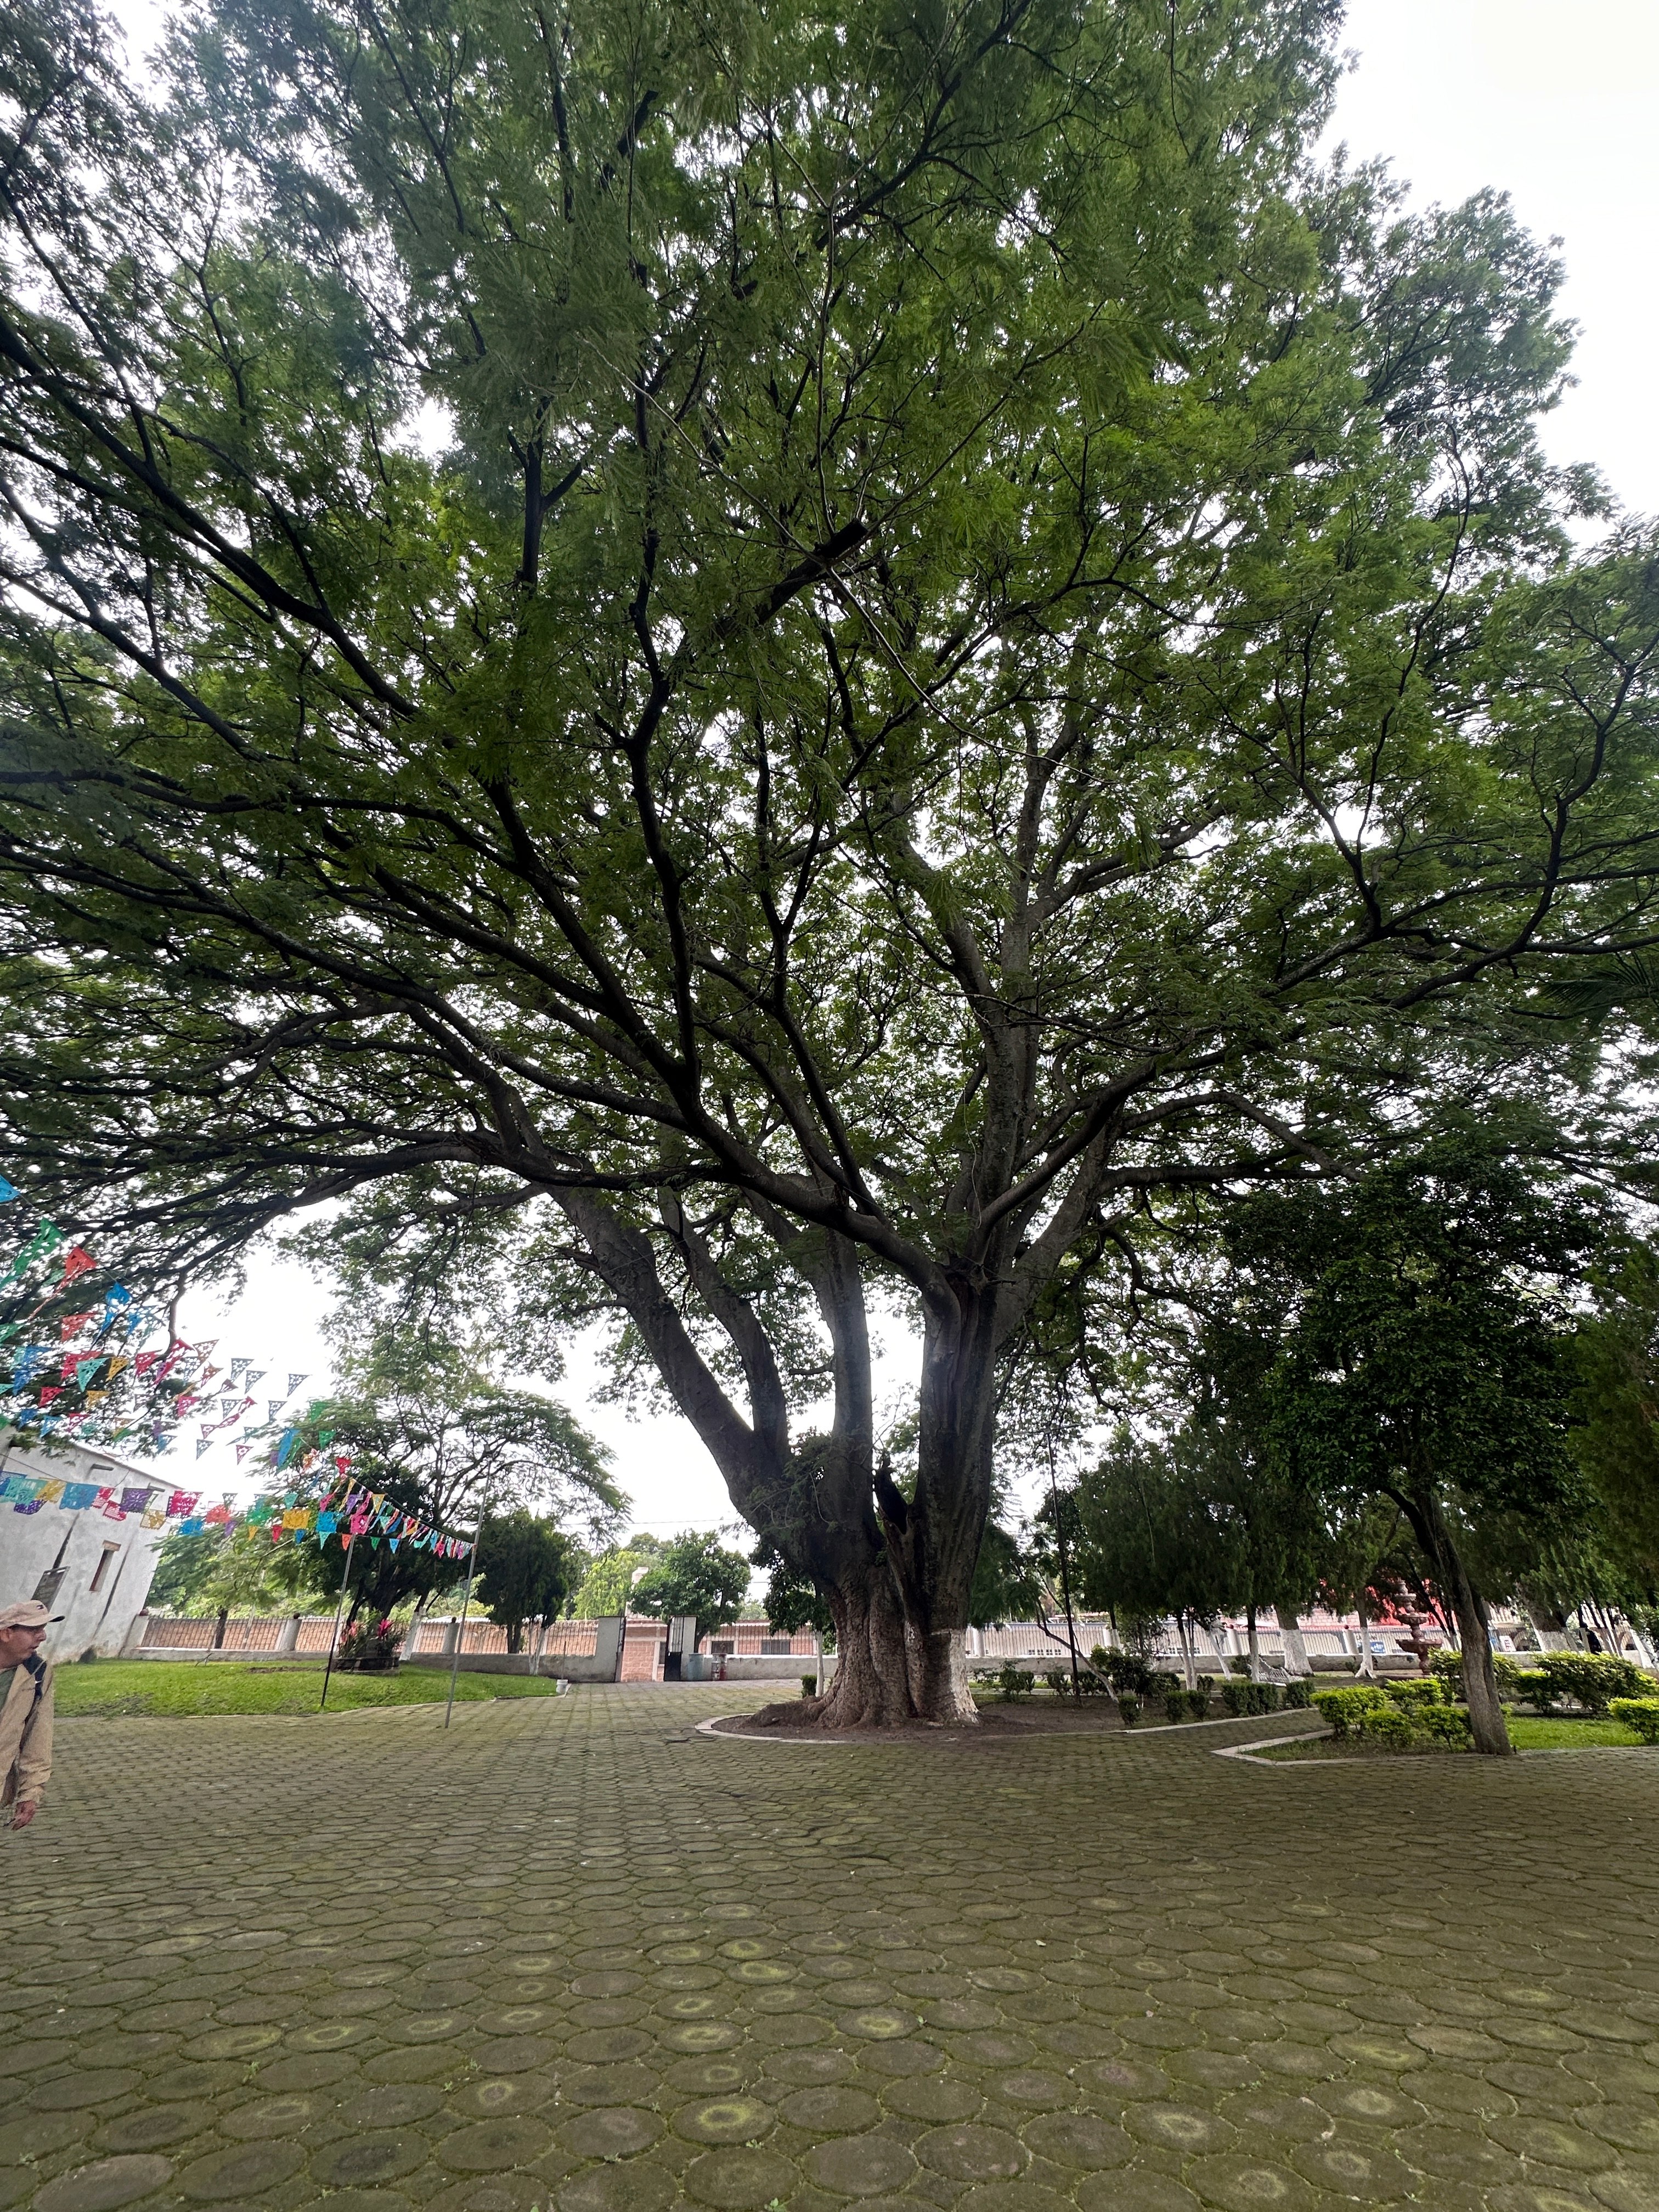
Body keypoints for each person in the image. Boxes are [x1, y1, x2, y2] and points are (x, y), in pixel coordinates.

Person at [1, 1599, 60, 1831]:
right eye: (34, 1630)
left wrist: (31, 1792)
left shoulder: (38, 1673)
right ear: (7, 1633)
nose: (42, 1637)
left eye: (43, 1629)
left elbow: (38, 1736)